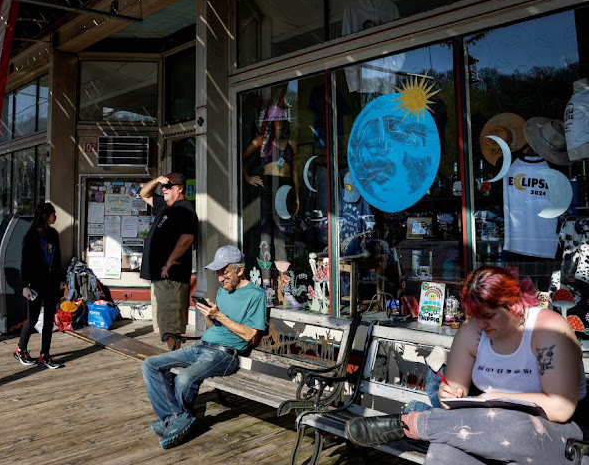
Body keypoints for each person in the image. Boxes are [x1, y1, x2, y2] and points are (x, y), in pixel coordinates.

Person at [345, 266, 586, 465]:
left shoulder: (546, 330)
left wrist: (496, 395)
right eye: (475, 315)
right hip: (484, 433)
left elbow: (560, 408)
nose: (481, 323)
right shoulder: (473, 332)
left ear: (513, 305)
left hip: (554, 437)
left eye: (488, 315)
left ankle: (410, 424)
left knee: (511, 425)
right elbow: (454, 393)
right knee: (442, 451)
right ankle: (418, 425)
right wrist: (448, 393)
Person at [141, 245, 267, 449]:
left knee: (184, 378)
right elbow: (214, 328)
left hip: (224, 354)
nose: (220, 279)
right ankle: (176, 419)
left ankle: (174, 422)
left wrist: (220, 316)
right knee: (150, 364)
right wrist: (209, 316)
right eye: (218, 274)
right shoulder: (222, 291)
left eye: (224, 273)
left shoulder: (256, 295)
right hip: (202, 346)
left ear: (240, 270)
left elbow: (250, 334)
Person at [242, 104, 300, 298]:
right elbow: (240, 156)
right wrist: (248, 178)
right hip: (267, 187)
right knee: (266, 236)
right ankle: (266, 285)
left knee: (282, 237)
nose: (280, 123)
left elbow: (294, 171)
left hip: (285, 188)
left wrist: (298, 195)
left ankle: (286, 287)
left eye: (282, 119)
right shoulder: (261, 141)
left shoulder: (291, 143)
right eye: (276, 120)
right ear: (270, 122)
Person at [139, 173, 197, 350]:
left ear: (180, 188)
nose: (164, 189)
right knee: (165, 325)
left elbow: (187, 237)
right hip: (161, 277)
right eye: (163, 186)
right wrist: (157, 180)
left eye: (169, 186)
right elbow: (144, 194)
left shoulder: (184, 207)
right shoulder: (165, 206)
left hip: (171, 277)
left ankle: (175, 361)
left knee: (172, 326)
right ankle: (171, 357)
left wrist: (170, 262)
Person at [14, 202, 66, 369]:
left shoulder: (53, 234)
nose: (55, 217)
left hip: (51, 283)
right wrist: (25, 286)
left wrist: (61, 278)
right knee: (33, 318)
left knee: (49, 320)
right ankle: (21, 350)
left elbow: (57, 259)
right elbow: (25, 263)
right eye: (53, 214)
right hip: (35, 284)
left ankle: (45, 355)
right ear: (45, 216)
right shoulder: (30, 237)